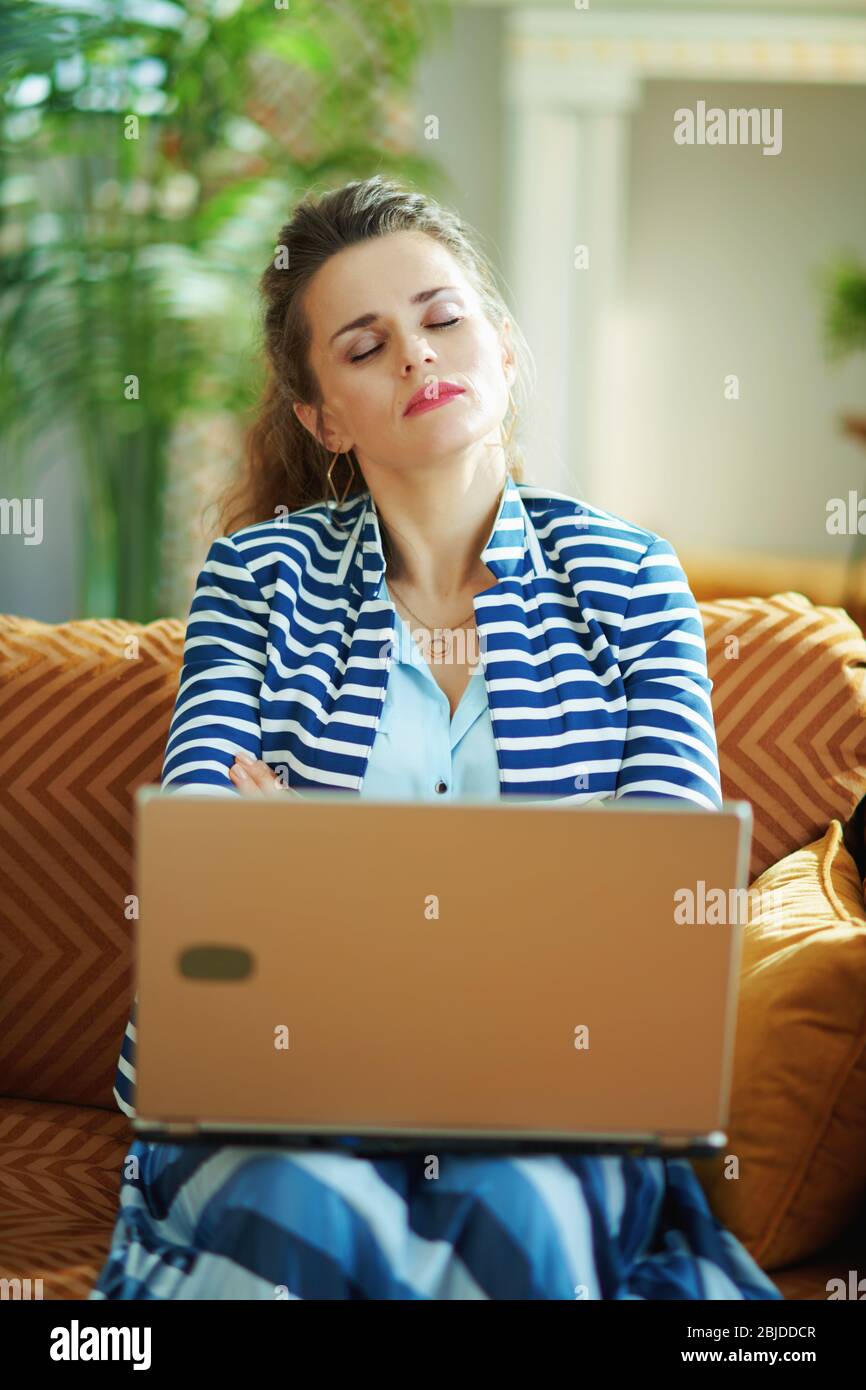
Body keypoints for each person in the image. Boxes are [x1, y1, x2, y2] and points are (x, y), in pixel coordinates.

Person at [92, 176, 782, 1300]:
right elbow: (212, 893)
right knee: (297, 1203)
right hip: (286, 1080)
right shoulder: (255, 579)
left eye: (441, 316)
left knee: (518, 1208)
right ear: (322, 417)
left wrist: (313, 869)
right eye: (364, 346)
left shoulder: (628, 576)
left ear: (500, 348)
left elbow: (665, 908)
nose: (416, 354)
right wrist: (551, 887)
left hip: (555, 1096)